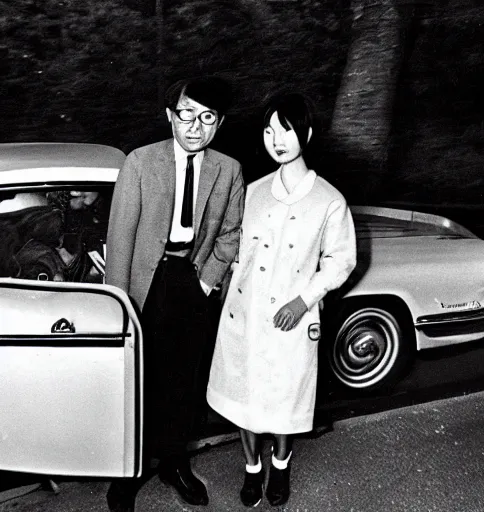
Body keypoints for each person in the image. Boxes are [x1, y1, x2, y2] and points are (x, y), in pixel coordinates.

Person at [206, 92, 357, 507]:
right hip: (245, 315)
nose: (276, 139)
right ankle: (252, 469)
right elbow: (234, 250)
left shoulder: (329, 200)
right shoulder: (252, 192)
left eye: (285, 130)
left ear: (305, 134)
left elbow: (341, 261)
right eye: (269, 130)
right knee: (245, 395)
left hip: (291, 317)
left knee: (284, 395)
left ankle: (281, 463)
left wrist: (304, 300)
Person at [105, 76, 244, 511]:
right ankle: (129, 472)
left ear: (218, 123)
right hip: (147, 282)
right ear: (170, 115)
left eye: (207, 118)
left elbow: (231, 233)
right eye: (186, 114)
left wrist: (206, 282)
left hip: (192, 278)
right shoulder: (141, 163)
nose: (195, 126)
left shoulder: (229, 168)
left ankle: (174, 463)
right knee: (139, 379)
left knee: (184, 381)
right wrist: (118, 303)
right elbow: (120, 236)